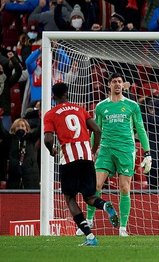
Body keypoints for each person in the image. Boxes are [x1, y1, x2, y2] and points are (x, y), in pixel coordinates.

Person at [43, 82, 119, 246]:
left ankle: (90, 237)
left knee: (70, 198)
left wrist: (51, 151)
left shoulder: (50, 114)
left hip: (69, 157)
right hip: (86, 155)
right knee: (90, 196)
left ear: (53, 96)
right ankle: (105, 205)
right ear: (67, 93)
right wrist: (92, 150)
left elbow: (48, 139)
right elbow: (97, 130)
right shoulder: (79, 109)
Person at [84, 72, 151, 237]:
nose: (117, 84)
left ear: (123, 85)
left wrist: (147, 152)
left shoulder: (132, 105)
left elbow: (140, 129)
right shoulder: (100, 107)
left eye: (120, 81)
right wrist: (91, 151)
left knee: (124, 188)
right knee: (96, 185)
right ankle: (89, 220)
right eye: (114, 81)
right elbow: (95, 131)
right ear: (109, 85)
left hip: (126, 150)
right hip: (106, 149)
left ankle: (122, 228)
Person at [0, 118, 40, 189]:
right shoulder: (10, 139)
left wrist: (41, 117)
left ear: (27, 129)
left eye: (22, 126)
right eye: (18, 126)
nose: (20, 128)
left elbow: (40, 130)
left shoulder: (31, 138)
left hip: (31, 177)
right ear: (14, 129)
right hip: (13, 176)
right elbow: (2, 131)